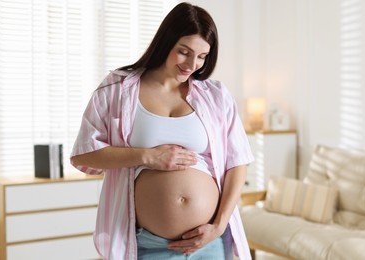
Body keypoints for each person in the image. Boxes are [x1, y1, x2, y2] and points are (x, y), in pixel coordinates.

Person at [71, 2, 254, 260]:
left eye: (202, 56)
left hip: (208, 241)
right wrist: (147, 156)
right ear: (166, 42)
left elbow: (238, 163)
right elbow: (83, 155)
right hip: (149, 244)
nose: (192, 64)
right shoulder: (118, 88)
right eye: (184, 51)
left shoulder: (216, 95)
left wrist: (219, 226)